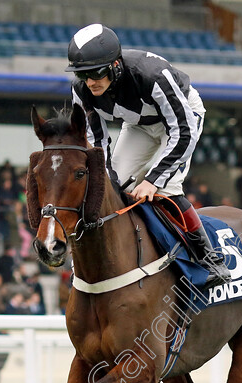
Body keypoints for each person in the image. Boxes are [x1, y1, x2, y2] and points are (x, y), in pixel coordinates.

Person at [66, 23, 230, 287]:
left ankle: (210, 259)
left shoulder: (151, 75)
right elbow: (96, 140)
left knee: (167, 189)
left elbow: (183, 131)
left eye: (96, 72)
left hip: (182, 119)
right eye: (83, 74)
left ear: (116, 66)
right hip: (139, 125)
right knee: (112, 184)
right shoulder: (81, 89)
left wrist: (153, 180)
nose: (91, 81)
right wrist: (105, 176)